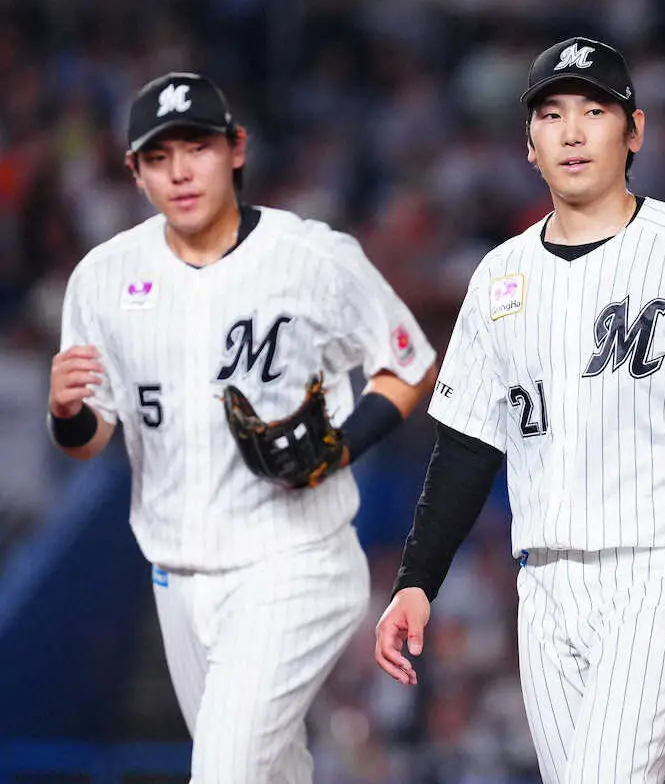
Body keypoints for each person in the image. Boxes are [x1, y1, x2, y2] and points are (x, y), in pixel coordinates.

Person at [373, 37, 665, 783]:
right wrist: (417, 580)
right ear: (530, 144)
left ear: (635, 131)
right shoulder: (501, 275)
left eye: (594, 110)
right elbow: (466, 446)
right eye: (552, 115)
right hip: (546, 583)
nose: (573, 131)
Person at [48, 71, 437, 783]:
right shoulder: (103, 278)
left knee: (224, 771)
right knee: (268, 772)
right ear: (135, 171)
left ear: (236, 148)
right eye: (159, 157)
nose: (179, 171)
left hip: (295, 561)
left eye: (196, 148)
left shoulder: (309, 255)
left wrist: (340, 449)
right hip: (177, 578)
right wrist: (67, 414)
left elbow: (409, 365)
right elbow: (92, 438)